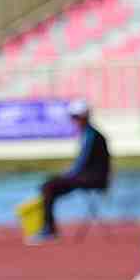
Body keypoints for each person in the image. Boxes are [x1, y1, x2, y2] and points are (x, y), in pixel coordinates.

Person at [31, 99, 111, 244]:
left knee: (49, 186)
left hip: (93, 179)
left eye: (75, 117)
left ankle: (49, 230)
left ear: (84, 116)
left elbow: (82, 163)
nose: (73, 120)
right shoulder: (89, 134)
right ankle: (48, 227)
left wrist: (66, 175)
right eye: (72, 117)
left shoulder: (92, 135)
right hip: (87, 177)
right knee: (49, 186)